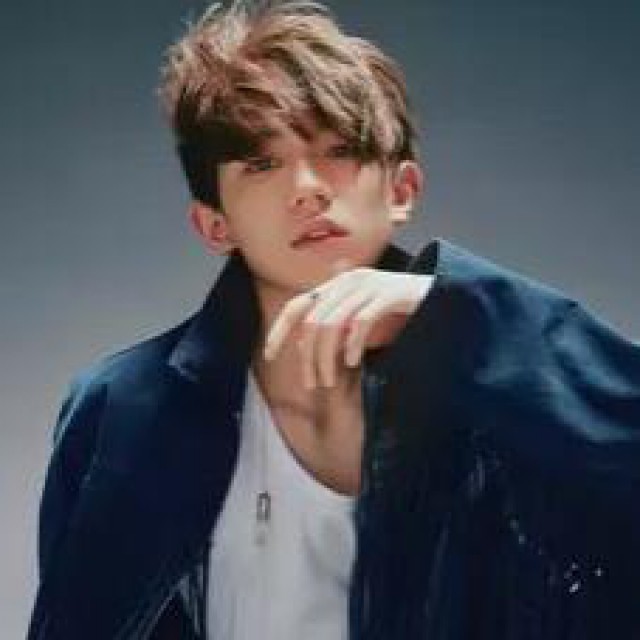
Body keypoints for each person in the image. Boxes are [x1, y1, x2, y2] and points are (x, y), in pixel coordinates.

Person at [27, 1, 640, 638]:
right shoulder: (120, 411)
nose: (307, 187)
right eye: (261, 163)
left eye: (340, 149)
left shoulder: (496, 387)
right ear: (215, 224)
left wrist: (458, 316)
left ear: (401, 190)